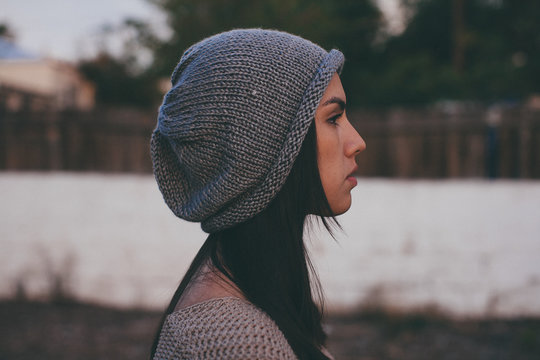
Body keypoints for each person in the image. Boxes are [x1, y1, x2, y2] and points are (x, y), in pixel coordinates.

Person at [150, 29, 366, 360]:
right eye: (333, 118)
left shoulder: (250, 300)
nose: (357, 142)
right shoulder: (236, 341)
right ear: (262, 150)